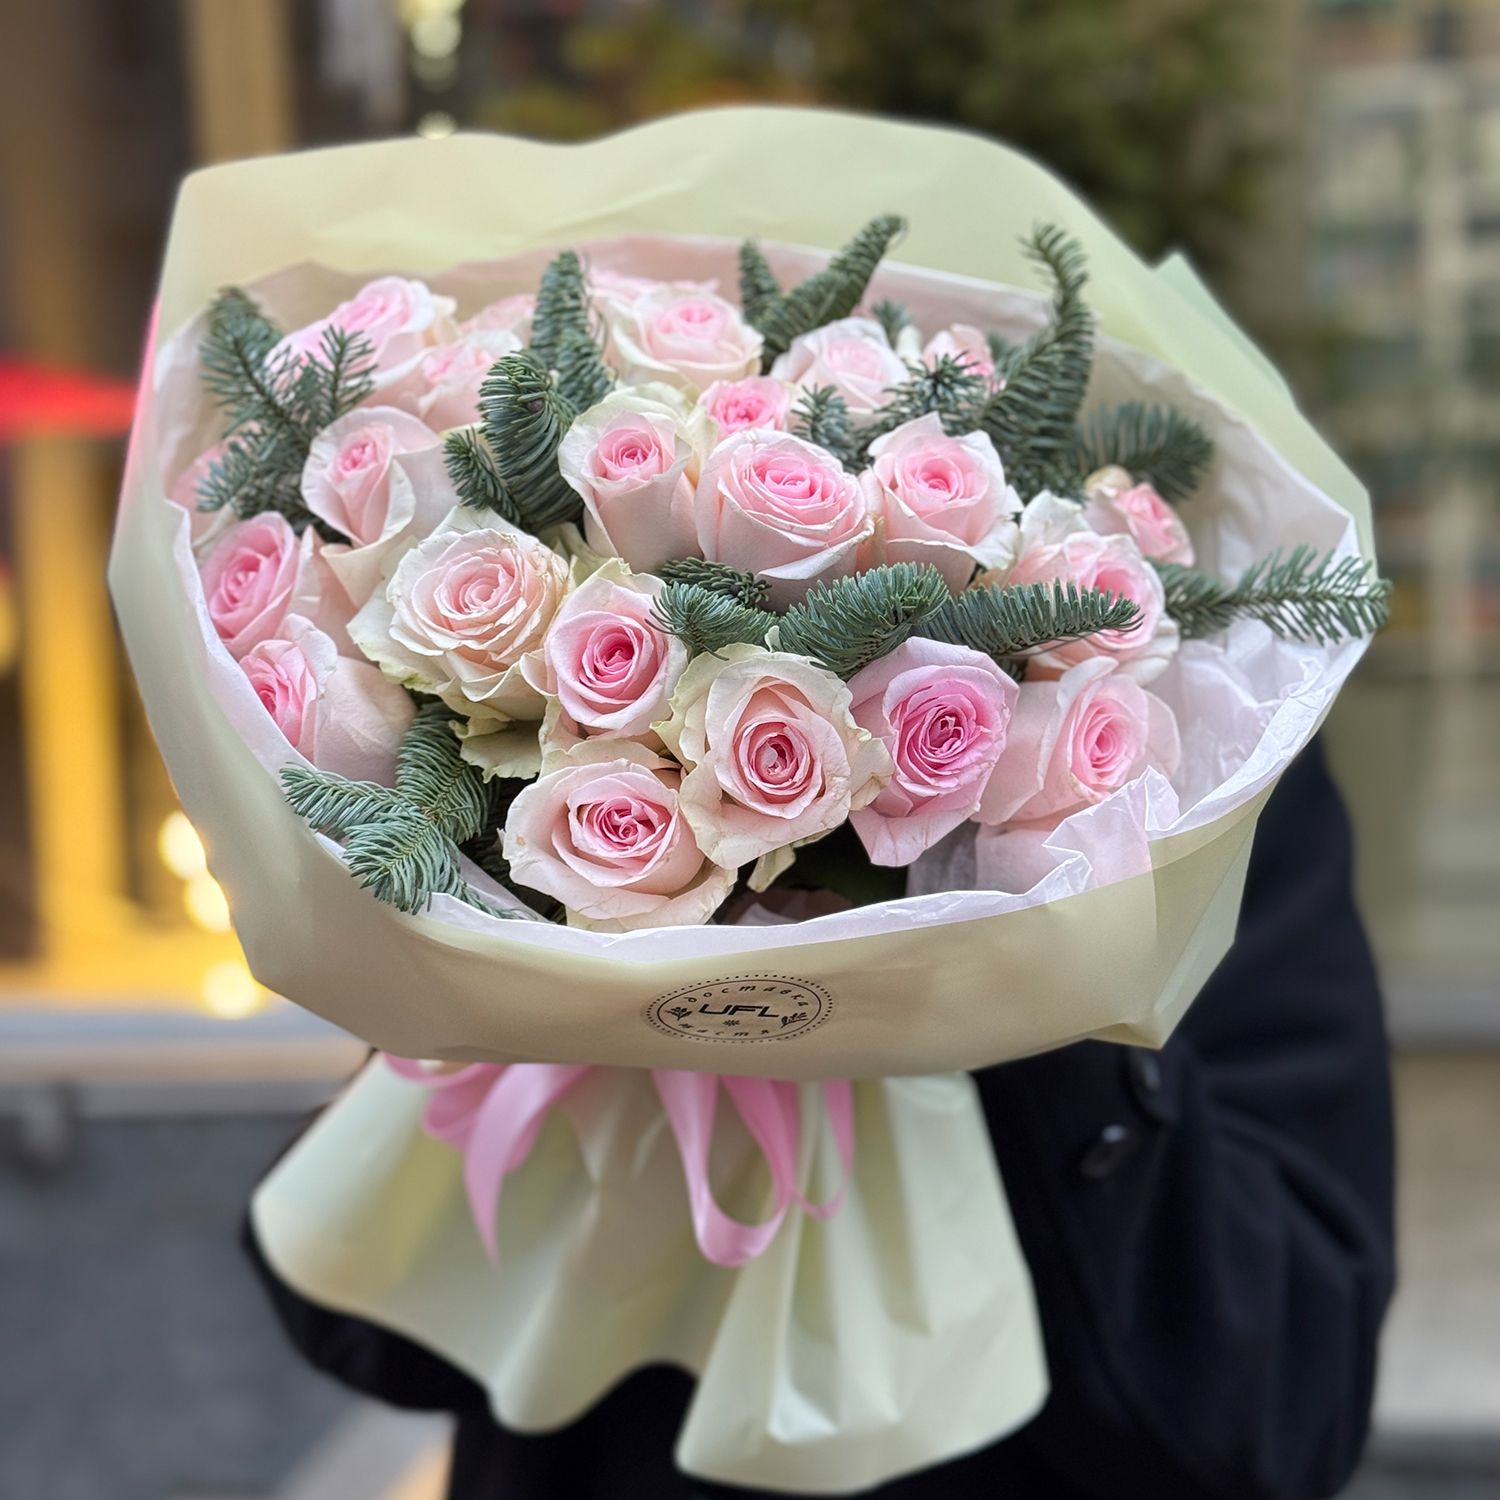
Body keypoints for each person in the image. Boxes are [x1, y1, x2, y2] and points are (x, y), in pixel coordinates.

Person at [249, 740, 1395, 1499]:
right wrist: (561, 960)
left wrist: (1029, 960)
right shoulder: (547, 789)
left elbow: (1286, 1408)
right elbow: (363, 1329)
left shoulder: (1200, 774)